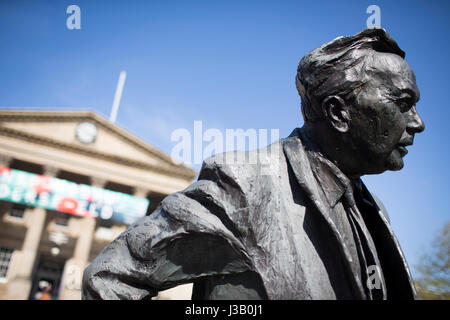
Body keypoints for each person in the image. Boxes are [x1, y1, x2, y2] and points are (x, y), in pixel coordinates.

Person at [82, 28, 424, 300]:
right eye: (404, 103)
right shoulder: (244, 185)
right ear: (338, 113)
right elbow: (109, 280)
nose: (417, 122)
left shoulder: (371, 209)